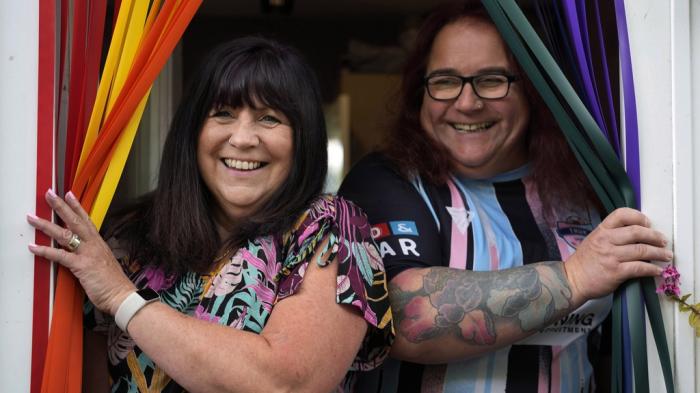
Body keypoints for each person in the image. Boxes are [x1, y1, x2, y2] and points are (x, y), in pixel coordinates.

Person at [28, 36, 393, 392]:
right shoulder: (129, 237)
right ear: (192, 131)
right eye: (223, 113)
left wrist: (122, 297)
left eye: (269, 119)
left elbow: (287, 382)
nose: (243, 138)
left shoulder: (333, 230)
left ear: (303, 139)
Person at [338, 1, 670, 392]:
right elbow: (404, 316)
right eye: (445, 81)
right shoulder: (386, 179)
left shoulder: (587, 188)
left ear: (531, 87)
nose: (467, 102)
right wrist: (574, 276)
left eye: (492, 79)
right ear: (420, 93)